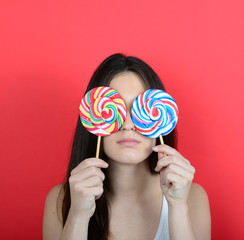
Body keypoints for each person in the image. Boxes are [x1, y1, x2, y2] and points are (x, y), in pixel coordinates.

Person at [42, 53, 211, 240]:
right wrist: (78, 217)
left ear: (161, 115)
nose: (128, 124)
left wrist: (178, 207)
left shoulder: (192, 198)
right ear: (93, 115)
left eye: (141, 108)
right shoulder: (62, 200)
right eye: (115, 108)